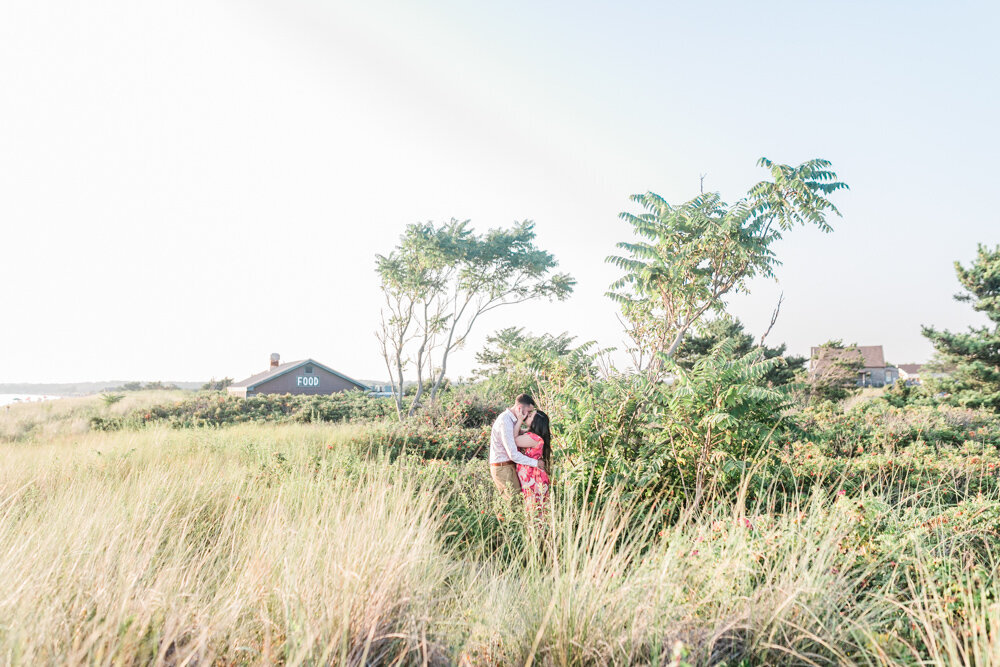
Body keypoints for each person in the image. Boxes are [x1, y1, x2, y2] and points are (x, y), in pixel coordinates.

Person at [489, 394, 544, 499]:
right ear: (519, 408)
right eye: (528, 411)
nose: (528, 415)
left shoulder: (512, 421)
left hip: (508, 466)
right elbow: (513, 454)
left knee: (517, 501)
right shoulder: (505, 421)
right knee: (513, 503)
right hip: (503, 467)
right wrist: (536, 463)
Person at [514, 408, 551, 510]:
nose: (527, 416)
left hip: (534, 479)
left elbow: (514, 441)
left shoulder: (533, 438)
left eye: (530, 416)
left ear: (536, 423)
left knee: (534, 511)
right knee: (536, 511)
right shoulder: (533, 436)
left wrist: (519, 421)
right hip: (533, 477)